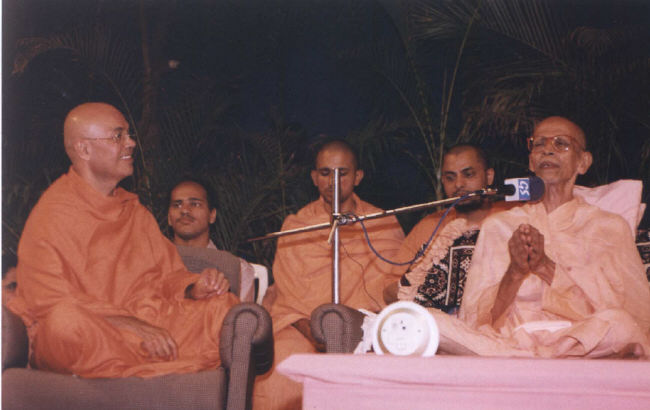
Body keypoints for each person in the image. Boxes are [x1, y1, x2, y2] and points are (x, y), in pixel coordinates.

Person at [6, 102, 238, 378]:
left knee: (224, 309)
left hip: (152, 321)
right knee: (65, 325)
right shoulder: (50, 215)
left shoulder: (134, 212)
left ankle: (143, 362)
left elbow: (168, 275)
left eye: (128, 135)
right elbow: (47, 302)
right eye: (118, 136)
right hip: (97, 330)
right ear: (84, 149)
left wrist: (193, 287)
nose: (131, 143)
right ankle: (150, 361)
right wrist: (129, 324)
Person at [434, 116, 650, 358]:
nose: (547, 149)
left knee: (620, 325)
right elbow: (474, 320)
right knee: (431, 321)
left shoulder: (609, 227)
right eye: (539, 144)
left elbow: (639, 318)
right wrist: (515, 272)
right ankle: (536, 360)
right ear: (531, 161)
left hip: (578, 341)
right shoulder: (499, 225)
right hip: (509, 340)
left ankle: (534, 360)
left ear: (583, 162)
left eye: (561, 143)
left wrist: (545, 267)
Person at [253, 139, 405, 409]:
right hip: (302, 327)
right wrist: (314, 332)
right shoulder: (297, 226)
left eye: (342, 173)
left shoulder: (382, 223)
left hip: (364, 330)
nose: (333, 181)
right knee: (281, 370)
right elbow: (288, 297)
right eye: (325, 173)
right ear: (314, 178)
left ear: (357, 176)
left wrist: (352, 331)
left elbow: (394, 286)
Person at [385, 144, 517, 312]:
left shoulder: (510, 218)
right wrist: (421, 273)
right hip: (437, 322)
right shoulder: (429, 227)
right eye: (450, 178)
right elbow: (389, 292)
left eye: (468, 175)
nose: (458, 184)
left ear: (489, 176)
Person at [168, 178, 256, 302]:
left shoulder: (238, 269)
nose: (184, 210)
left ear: (212, 215)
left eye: (195, 204)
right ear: (169, 218)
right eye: (177, 205)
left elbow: (241, 313)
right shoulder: (152, 263)